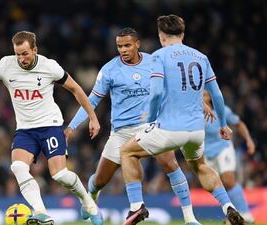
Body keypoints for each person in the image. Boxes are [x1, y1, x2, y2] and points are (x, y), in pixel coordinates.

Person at [65, 27, 200, 225]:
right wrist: (72, 126)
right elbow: (91, 101)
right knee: (101, 179)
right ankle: (91, 197)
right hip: (121, 132)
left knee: (169, 162)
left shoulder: (155, 62)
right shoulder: (110, 70)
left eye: (127, 45)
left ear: (137, 44)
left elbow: (174, 88)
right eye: (119, 46)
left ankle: (190, 218)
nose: (123, 50)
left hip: (152, 126)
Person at [119, 15, 245, 225]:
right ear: (183, 34)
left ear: (161, 36)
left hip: (169, 129)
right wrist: (223, 124)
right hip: (196, 131)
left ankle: (136, 206)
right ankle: (228, 206)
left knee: (127, 151)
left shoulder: (159, 56)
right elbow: (217, 96)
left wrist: (150, 119)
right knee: (201, 167)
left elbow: (157, 93)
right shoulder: (201, 57)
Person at [0, 31, 103, 225]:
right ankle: (41, 213)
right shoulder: (5, 65)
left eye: (25, 53)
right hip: (25, 129)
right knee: (17, 167)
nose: (21, 58)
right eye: (17, 54)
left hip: (50, 125)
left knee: (59, 175)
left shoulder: (49, 66)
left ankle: (88, 202)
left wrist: (93, 117)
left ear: (35, 49)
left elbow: (76, 88)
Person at [203, 91, 255, 223]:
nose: (202, 98)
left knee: (229, 180)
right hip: (207, 153)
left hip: (223, 148)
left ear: (209, 97)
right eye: (200, 95)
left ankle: (245, 214)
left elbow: (239, 123)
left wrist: (249, 140)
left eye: (205, 95)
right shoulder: (194, 115)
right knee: (218, 186)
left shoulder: (222, 111)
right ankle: (232, 216)